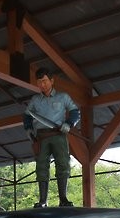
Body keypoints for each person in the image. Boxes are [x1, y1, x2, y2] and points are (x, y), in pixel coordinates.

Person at [23, 67, 79, 207]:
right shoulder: (35, 100)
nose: (42, 84)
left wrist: (69, 123)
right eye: (39, 82)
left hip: (58, 134)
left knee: (63, 164)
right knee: (41, 166)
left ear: (52, 81)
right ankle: (43, 200)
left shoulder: (63, 97)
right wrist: (28, 129)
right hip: (41, 137)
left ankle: (63, 199)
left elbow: (75, 111)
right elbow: (27, 115)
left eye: (45, 81)